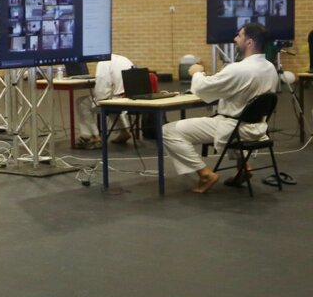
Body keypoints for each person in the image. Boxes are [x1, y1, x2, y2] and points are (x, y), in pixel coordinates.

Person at [162, 22, 279, 193]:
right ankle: (244, 167)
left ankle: (205, 174)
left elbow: (203, 88)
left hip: (234, 128)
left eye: (239, 35)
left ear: (249, 42)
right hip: (257, 127)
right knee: (230, 115)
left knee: (168, 131)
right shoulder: (270, 68)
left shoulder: (239, 69)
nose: (235, 39)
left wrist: (197, 72)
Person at [73, 53, 134, 149]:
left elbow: (102, 92)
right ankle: (123, 131)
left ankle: (93, 137)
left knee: (82, 102)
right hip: (132, 98)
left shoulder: (103, 63)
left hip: (120, 100)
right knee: (111, 99)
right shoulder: (123, 58)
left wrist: (97, 98)